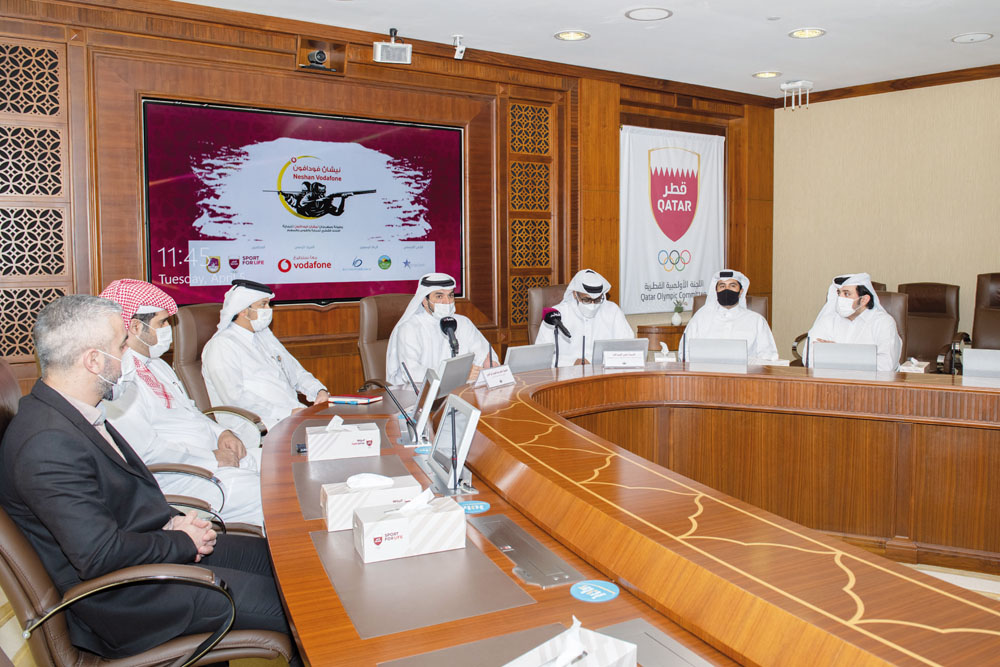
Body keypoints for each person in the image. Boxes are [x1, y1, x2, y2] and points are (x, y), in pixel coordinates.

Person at [0, 295, 299, 664]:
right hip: (129, 600)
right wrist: (180, 540)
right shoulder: (46, 443)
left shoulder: (69, 411)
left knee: (286, 561)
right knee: (299, 607)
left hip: (147, 558)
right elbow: (99, 555)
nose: (129, 355)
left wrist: (174, 521)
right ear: (94, 360)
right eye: (121, 345)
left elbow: (121, 500)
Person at [99, 279, 264, 527]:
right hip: (182, 476)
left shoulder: (157, 364)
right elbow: (147, 452)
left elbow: (191, 412)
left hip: (213, 458)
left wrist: (222, 433)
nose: (169, 329)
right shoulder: (118, 379)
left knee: (283, 466)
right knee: (273, 494)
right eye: (162, 322)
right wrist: (212, 458)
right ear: (134, 327)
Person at [202, 280, 328, 431]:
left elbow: (295, 372)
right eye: (263, 305)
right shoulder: (222, 345)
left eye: (268, 304)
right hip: (256, 425)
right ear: (243, 310)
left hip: (291, 416)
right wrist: (287, 413)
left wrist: (318, 391)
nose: (268, 310)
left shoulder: (264, 336)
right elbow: (235, 398)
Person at [385, 272, 496, 385]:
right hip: (417, 392)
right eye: (439, 296)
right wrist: (458, 374)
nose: (447, 302)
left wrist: (489, 364)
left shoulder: (463, 323)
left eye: (450, 295)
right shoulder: (409, 328)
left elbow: (485, 355)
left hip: (459, 389)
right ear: (425, 301)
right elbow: (412, 373)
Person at [535, 269, 634, 366]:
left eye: (597, 300)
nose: (593, 305)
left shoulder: (613, 311)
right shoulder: (555, 315)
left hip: (603, 373)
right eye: (586, 300)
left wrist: (601, 364)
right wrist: (570, 364)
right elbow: (541, 356)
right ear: (575, 294)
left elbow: (628, 348)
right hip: (566, 374)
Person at [807, 272, 902, 371]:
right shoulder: (827, 320)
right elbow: (810, 359)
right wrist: (860, 359)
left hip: (869, 381)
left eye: (847, 294)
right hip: (830, 379)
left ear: (864, 299)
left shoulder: (883, 323)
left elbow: (886, 366)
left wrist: (837, 353)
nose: (840, 298)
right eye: (839, 293)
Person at [681, 269, 779, 363]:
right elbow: (685, 354)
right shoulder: (700, 318)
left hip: (746, 373)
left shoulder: (757, 320)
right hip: (706, 373)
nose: (727, 289)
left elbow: (769, 356)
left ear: (741, 291)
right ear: (716, 291)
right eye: (722, 286)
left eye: (732, 285)